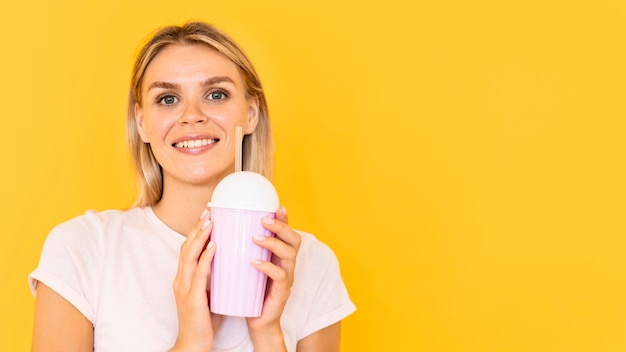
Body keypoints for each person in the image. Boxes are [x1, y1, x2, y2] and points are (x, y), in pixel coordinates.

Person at [29, 21, 356, 352]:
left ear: (252, 112)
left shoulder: (311, 264)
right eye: (168, 99)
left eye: (216, 94)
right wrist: (191, 341)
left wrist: (268, 334)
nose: (192, 116)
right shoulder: (83, 249)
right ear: (142, 123)